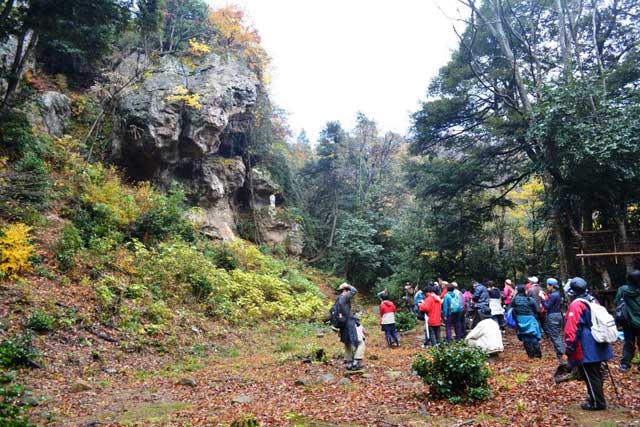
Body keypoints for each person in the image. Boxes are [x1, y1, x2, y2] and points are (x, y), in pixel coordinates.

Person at [564, 277, 613, 410]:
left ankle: (598, 403)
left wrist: (569, 347)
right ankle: (595, 398)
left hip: (586, 345)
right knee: (595, 372)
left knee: (590, 374)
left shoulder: (576, 304)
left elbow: (572, 328)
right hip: (598, 340)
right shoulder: (592, 299)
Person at [615, 270, 640, 372]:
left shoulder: (623, 290)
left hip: (628, 321)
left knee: (629, 342)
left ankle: (625, 364)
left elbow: (616, 301)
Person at [511, 284, 542, 358]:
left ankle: (530, 355)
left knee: (525, 337)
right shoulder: (530, 299)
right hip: (530, 319)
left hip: (520, 320)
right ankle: (538, 354)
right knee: (533, 336)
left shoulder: (514, 300)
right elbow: (537, 310)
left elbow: (512, 309)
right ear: (525, 290)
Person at [335, 283, 360, 370]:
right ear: (345, 290)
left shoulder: (338, 298)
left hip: (342, 323)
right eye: (347, 290)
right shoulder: (345, 297)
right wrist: (348, 285)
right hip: (348, 322)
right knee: (356, 340)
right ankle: (356, 362)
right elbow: (354, 290)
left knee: (347, 342)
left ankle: (348, 361)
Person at [542, 278, 566, 362]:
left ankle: (564, 357)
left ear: (552, 286)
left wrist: (542, 299)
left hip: (553, 316)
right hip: (558, 315)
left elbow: (547, 306)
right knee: (557, 336)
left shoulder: (553, 295)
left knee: (556, 337)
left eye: (548, 285)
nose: (547, 286)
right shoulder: (557, 294)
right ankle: (561, 355)